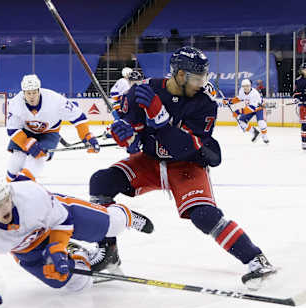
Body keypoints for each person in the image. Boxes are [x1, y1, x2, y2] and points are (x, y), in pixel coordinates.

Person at [88, 46, 276, 290]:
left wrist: (159, 118)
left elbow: (183, 148)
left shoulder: (204, 104)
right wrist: (127, 137)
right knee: (101, 182)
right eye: (197, 78)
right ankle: (108, 255)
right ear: (179, 75)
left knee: (204, 216)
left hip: (186, 164)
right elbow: (134, 135)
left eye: (204, 77)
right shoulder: (143, 90)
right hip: (150, 161)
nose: (202, 83)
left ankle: (256, 259)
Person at [0, 171, 154, 308]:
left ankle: (124, 214)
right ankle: (78, 254)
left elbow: (63, 221)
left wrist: (56, 249)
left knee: (112, 226)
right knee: (77, 285)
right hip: (29, 249)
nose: (4, 208)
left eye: (5, 200)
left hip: (56, 219)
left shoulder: (30, 195)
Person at [6, 74, 100, 182]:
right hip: (25, 132)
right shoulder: (15, 103)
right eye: (28, 93)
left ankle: (25, 184)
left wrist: (86, 136)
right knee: (17, 159)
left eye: (34, 92)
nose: (32, 96)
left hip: (49, 132)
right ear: (23, 92)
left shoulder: (55, 100)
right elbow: (12, 129)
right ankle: (9, 186)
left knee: (39, 156)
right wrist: (25, 142)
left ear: (39, 90)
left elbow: (78, 117)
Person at [225, 79, 269, 144]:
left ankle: (264, 136)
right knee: (241, 122)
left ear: (250, 86)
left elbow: (252, 108)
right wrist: (229, 101)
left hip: (258, 108)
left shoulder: (255, 94)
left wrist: (238, 112)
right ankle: (254, 132)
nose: (246, 88)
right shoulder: (241, 91)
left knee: (261, 123)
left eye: (247, 86)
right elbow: (239, 98)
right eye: (244, 86)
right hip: (249, 108)